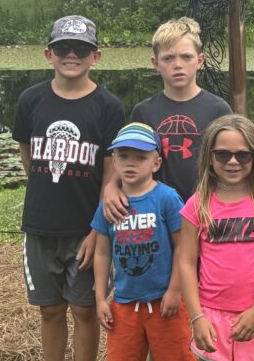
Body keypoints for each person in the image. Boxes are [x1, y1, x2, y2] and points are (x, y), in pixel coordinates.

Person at [13, 15, 125, 361]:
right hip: (41, 225)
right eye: (63, 47)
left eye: (81, 48)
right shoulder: (31, 100)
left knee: (84, 309)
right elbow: (29, 158)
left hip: (86, 228)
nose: (71, 54)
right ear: (49, 54)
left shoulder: (108, 107)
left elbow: (112, 173)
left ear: (96, 56)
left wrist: (98, 228)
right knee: (50, 309)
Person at [179, 114, 254, 361]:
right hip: (210, 316)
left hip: (253, 314)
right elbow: (186, 261)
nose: (233, 161)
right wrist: (197, 317)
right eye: (222, 154)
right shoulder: (197, 204)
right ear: (209, 157)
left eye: (243, 154)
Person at [103, 17, 230, 221]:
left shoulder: (218, 110)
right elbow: (130, 156)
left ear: (200, 61)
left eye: (186, 57)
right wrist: (111, 185)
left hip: (206, 210)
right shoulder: (144, 112)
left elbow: (229, 160)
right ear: (155, 63)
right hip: (157, 213)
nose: (178, 65)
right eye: (168, 58)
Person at [91, 122, 193, 361]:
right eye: (123, 156)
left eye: (141, 157)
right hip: (124, 304)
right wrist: (100, 299)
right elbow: (102, 253)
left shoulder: (167, 199)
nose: (130, 162)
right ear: (114, 161)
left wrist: (175, 290)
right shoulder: (109, 205)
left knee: (175, 355)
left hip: (164, 302)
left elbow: (183, 246)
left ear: (156, 163)